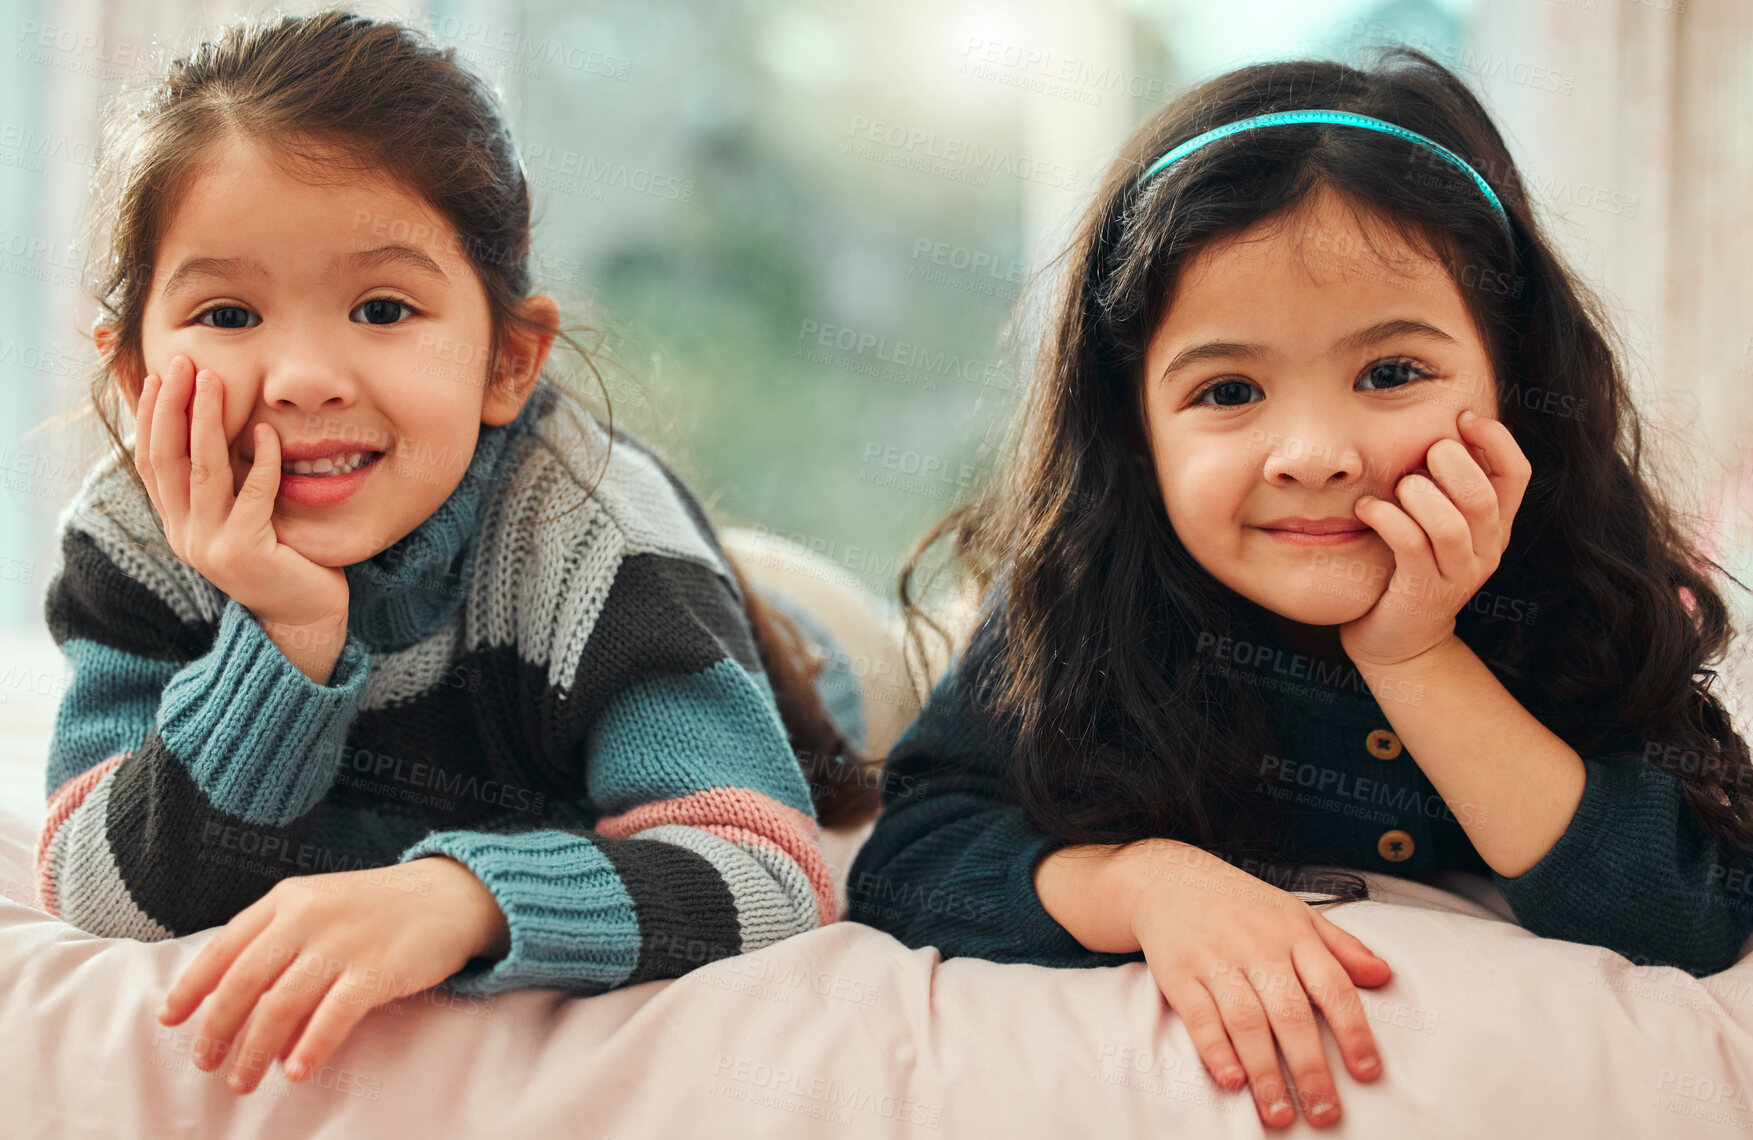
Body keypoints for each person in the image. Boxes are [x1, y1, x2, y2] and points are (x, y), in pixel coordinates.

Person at [848, 47, 1753, 1130]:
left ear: (1514, 382)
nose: (1315, 453)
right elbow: (909, 859)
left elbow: (1685, 909)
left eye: (1390, 373)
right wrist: (1144, 884)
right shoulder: (1081, 600)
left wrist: (1414, 657)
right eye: (1229, 390)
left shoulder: (1576, 586)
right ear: (1134, 432)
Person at [34, 10, 872, 1096]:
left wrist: (458, 898)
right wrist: (284, 639)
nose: (301, 377)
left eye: (382, 308)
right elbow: (108, 894)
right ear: (139, 373)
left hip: (790, 639)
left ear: (507, 363)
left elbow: (768, 876)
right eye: (229, 312)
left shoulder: (602, 546)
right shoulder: (136, 538)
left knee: (870, 668)